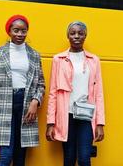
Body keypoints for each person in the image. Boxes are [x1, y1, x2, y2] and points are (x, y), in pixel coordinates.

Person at [0, 15, 45, 166]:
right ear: (9, 31)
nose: (20, 34)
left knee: (20, 156)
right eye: (16, 30)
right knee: (5, 155)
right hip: (3, 105)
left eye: (23, 31)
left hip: (25, 105)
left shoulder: (34, 55)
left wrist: (35, 101)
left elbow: (41, 84)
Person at [46, 21, 105, 166]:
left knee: (85, 159)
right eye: (72, 33)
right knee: (69, 158)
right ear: (68, 36)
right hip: (66, 116)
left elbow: (98, 94)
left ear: (86, 36)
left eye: (80, 33)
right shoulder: (58, 59)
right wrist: (50, 122)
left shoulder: (94, 60)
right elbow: (53, 92)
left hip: (86, 116)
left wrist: (100, 123)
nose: (76, 36)